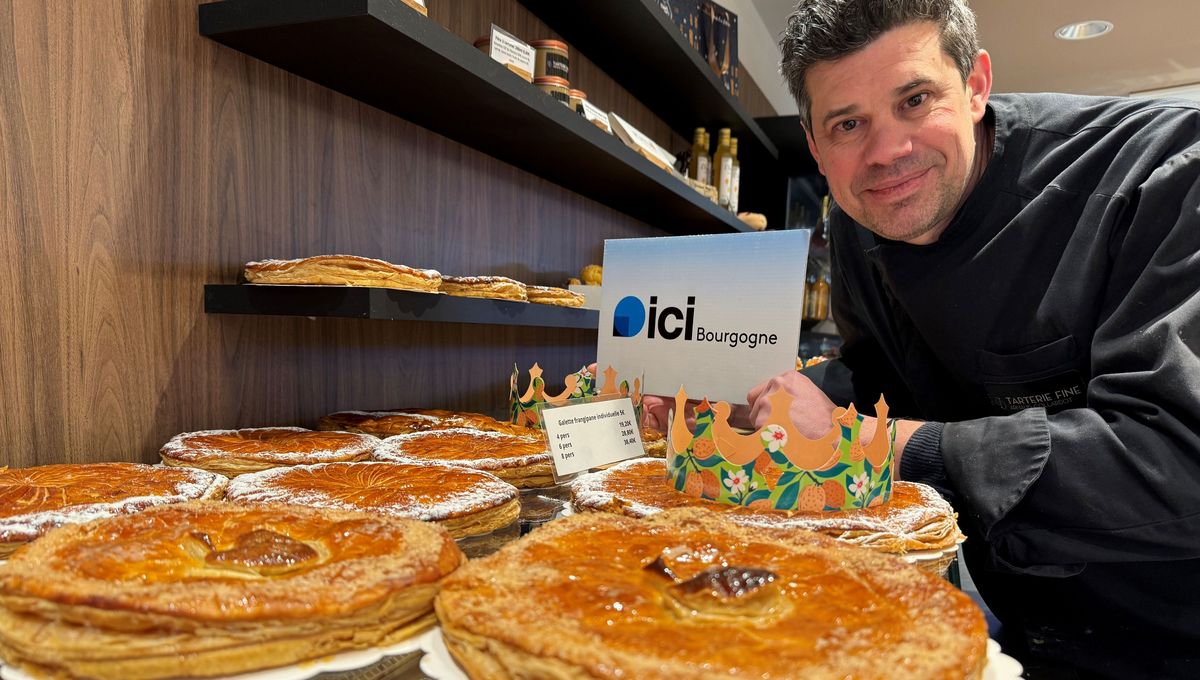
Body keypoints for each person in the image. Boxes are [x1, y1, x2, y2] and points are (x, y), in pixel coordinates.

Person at [731, 1, 1200, 677]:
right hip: (1008, 627)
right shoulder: (860, 216)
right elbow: (879, 370)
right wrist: (756, 403)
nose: (887, 153)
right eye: (848, 123)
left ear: (976, 84)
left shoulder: (1165, 174)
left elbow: (1176, 458)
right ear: (814, 142)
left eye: (915, 99)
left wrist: (867, 444)